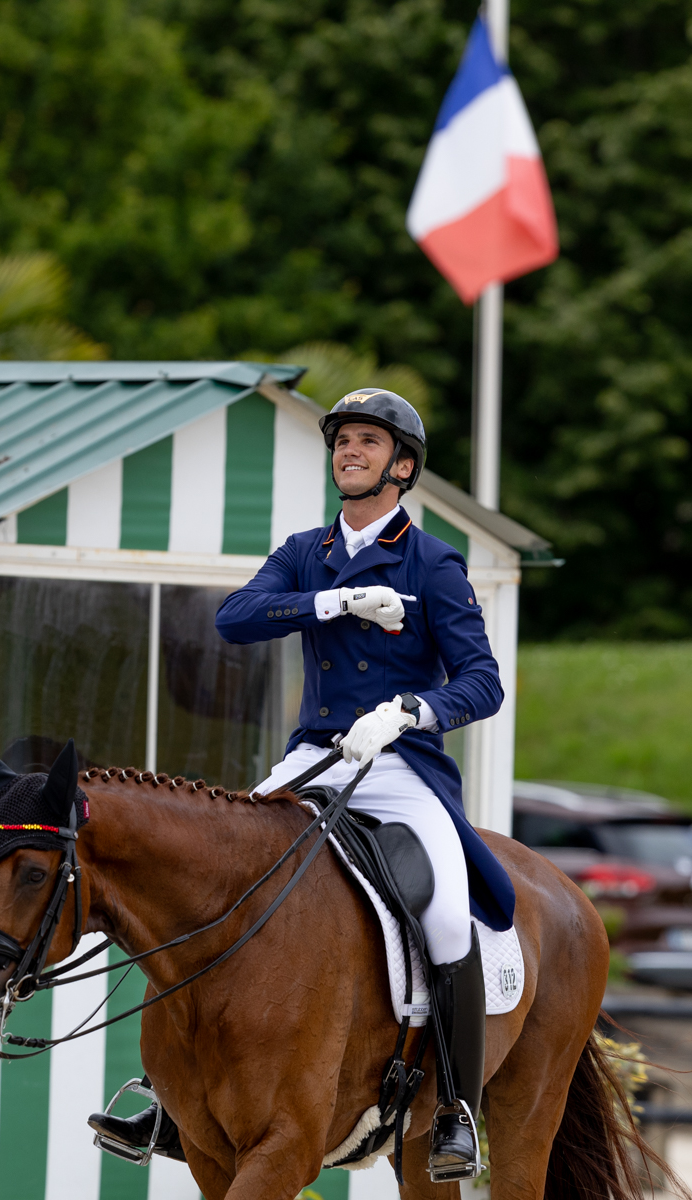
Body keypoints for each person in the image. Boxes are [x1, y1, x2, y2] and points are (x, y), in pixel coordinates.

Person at [87, 388, 515, 1182]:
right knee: (212, 879)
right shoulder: (305, 552)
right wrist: (338, 599)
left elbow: (484, 683)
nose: (348, 452)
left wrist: (413, 710)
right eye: (342, 441)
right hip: (311, 760)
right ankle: (165, 1094)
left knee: (449, 911)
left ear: (403, 465)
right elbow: (236, 617)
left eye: (366, 441)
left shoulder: (434, 565)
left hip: (396, 767)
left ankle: (454, 1107)